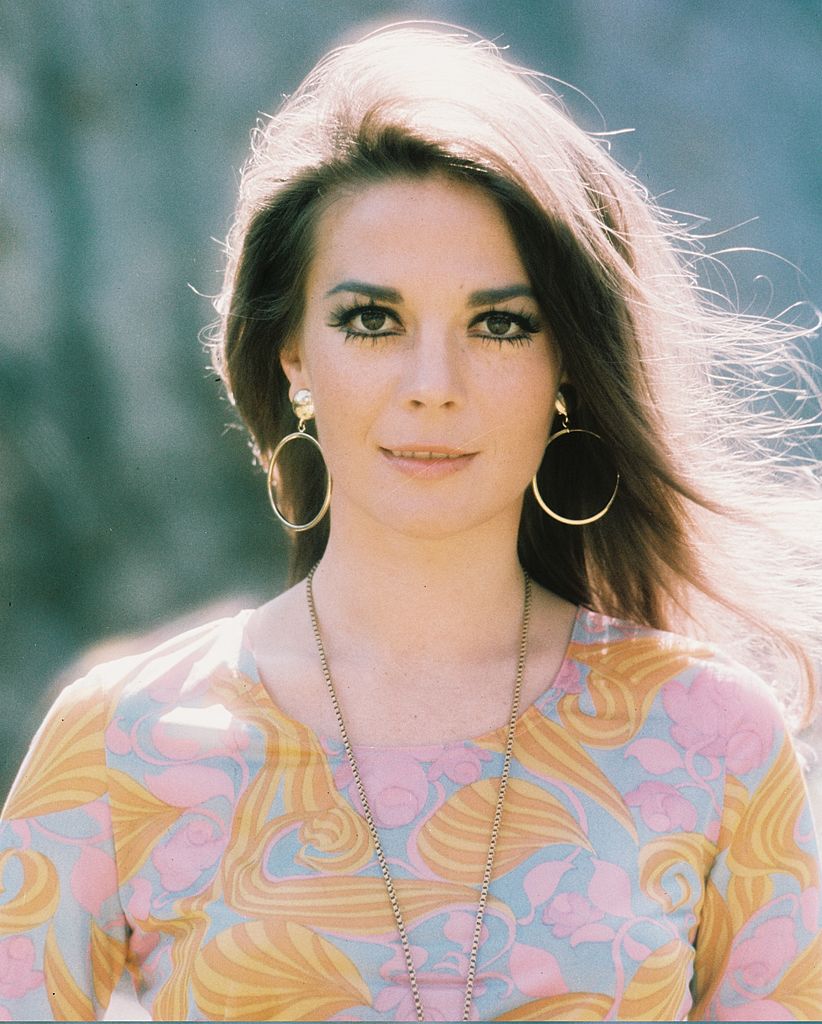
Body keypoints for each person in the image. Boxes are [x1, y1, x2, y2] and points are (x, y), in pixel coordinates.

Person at [2, 24, 821, 1023]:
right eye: (372, 320)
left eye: (499, 323)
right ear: (292, 357)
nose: (433, 386)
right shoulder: (118, 744)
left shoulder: (712, 736)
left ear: (567, 364)